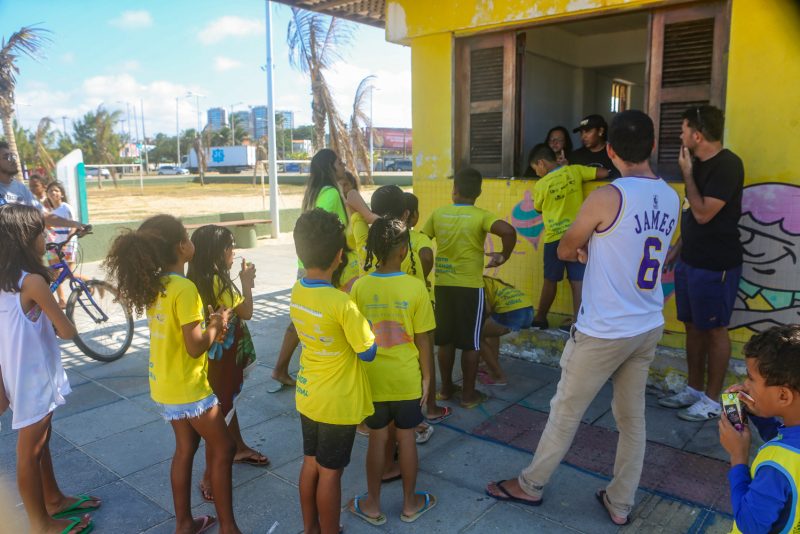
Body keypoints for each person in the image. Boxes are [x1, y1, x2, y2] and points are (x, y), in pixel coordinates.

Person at [486, 110, 679, 526]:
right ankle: (621, 501)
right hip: (647, 323)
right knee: (632, 420)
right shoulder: (669, 195)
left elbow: (564, 248)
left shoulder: (607, 196)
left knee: (565, 411)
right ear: (650, 146)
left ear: (610, 150)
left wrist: (589, 250)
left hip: (604, 329)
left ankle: (531, 485)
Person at [105, 214, 239, 534]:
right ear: (182, 247)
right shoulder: (185, 287)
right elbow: (195, 347)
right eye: (188, 236)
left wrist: (208, 329)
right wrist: (216, 325)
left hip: (164, 384)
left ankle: (184, 524)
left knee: (185, 449)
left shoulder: (156, 284)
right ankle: (229, 528)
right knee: (224, 449)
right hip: (189, 388)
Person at [0, 204, 99, 534]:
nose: (46, 236)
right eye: (41, 232)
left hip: (16, 374)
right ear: (26, 238)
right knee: (29, 451)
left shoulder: (8, 281)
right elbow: (67, 330)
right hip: (35, 378)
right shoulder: (31, 283)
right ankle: (40, 524)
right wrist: (57, 312)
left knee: (40, 443)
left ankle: (54, 498)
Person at [289, 209, 377, 534]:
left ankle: (310, 528)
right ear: (340, 255)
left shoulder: (298, 290)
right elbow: (368, 351)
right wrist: (365, 322)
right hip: (337, 404)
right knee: (331, 472)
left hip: (308, 395)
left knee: (310, 462)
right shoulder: (343, 305)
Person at [348, 217, 437, 525]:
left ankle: (372, 504)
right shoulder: (415, 287)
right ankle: (410, 504)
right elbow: (424, 338)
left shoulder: (360, 286)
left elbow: (354, 337)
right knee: (407, 439)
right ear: (403, 249)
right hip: (406, 379)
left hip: (372, 379)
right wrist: (428, 378)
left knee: (376, 439)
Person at [659, 105, 745, 422]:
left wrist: (687, 175)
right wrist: (679, 246)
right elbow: (690, 214)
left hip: (715, 264)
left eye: (683, 130)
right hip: (690, 260)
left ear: (697, 134)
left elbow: (704, 212)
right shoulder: (695, 163)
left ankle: (712, 400)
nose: (680, 136)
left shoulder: (727, 165)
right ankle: (694, 390)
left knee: (714, 330)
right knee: (692, 325)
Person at [422, 167, 517, 408]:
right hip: (470, 288)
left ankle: (445, 389)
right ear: (478, 193)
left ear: (454, 191)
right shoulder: (481, 216)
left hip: (443, 285)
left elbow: (422, 242)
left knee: (444, 340)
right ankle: (467, 396)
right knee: (471, 342)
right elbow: (508, 231)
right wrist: (503, 255)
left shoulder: (438, 214)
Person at [186, 225, 268, 504]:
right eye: (230, 246)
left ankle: (239, 447)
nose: (233, 252)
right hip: (222, 359)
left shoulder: (196, 279)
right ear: (220, 252)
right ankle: (209, 476)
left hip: (211, 358)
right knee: (218, 414)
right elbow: (246, 311)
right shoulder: (220, 283)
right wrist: (246, 281)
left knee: (225, 405)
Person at [272, 149, 349, 389]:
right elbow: (322, 226)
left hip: (309, 262)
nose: (342, 164)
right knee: (314, 318)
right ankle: (284, 368)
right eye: (339, 161)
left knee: (300, 316)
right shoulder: (331, 194)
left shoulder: (315, 192)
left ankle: (281, 368)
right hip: (321, 264)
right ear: (330, 167)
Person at [719, 325, 800, 533]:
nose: (746, 384)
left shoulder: (775, 466)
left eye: (751, 378)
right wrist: (757, 413)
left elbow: (750, 525)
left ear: (783, 396)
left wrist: (738, 456)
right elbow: (784, 437)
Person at [528, 143, 607, 331]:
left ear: (542, 163)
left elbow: (538, 208)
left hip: (554, 238)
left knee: (550, 279)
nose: (537, 173)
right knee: (577, 280)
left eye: (535, 169)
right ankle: (577, 321)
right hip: (577, 235)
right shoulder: (575, 171)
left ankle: (540, 318)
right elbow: (603, 173)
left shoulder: (541, 184)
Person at [0, 142, 85, 231]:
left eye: (13, 156)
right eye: (7, 157)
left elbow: (44, 216)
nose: (13, 160)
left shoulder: (21, 188)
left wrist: (74, 224)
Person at [479, 276, 534, 386]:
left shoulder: (476, 281)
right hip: (528, 309)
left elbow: (487, 308)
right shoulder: (491, 281)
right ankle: (491, 365)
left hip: (512, 311)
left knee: (475, 336)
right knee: (491, 332)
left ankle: (499, 376)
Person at [44, 181, 79, 308]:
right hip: (53, 247)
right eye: (51, 191)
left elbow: (74, 226)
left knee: (67, 273)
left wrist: (68, 241)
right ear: (47, 194)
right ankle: (62, 300)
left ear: (62, 194)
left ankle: (86, 283)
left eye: (56, 190)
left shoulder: (66, 208)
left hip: (67, 246)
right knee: (55, 275)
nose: (54, 193)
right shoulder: (48, 212)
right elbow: (49, 228)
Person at [570, 114, 620, 179]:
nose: (583, 136)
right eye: (581, 132)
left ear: (600, 131)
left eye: (588, 131)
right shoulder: (575, 156)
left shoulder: (614, 155)